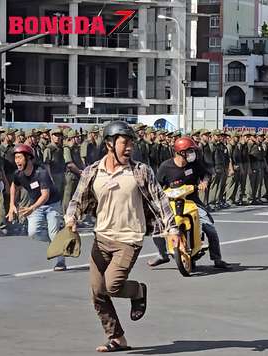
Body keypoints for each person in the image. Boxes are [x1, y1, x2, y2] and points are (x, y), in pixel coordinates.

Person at [64, 121, 180, 352]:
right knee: (97, 292)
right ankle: (117, 337)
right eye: (124, 142)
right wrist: (71, 219)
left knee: (112, 285)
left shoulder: (140, 171)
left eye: (132, 143)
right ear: (109, 143)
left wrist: (172, 230)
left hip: (129, 238)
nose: (129, 148)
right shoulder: (93, 171)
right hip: (101, 237)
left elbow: (160, 201)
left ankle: (138, 290)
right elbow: (77, 199)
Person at [149, 136, 231, 269]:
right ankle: (162, 254)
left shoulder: (195, 164)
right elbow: (157, 186)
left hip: (192, 202)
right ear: (180, 152)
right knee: (157, 228)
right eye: (189, 151)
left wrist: (204, 182)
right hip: (171, 204)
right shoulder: (165, 167)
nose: (192, 154)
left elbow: (206, 174)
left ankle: (217, 259)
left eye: (192, 151)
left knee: (210, 229)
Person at [7, 144, 66, 271]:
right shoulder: (18, 174)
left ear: (28, 158)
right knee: (33, 233)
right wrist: (12, 204)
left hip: (52, 204)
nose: (17, 161)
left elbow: (45, 196)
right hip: (35, 205)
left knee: (53, 233)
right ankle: (56, 240)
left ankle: (60, 261)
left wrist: (32, 208)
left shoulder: (41, 173)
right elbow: (14, 186)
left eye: (19, 157)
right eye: (15, 158)